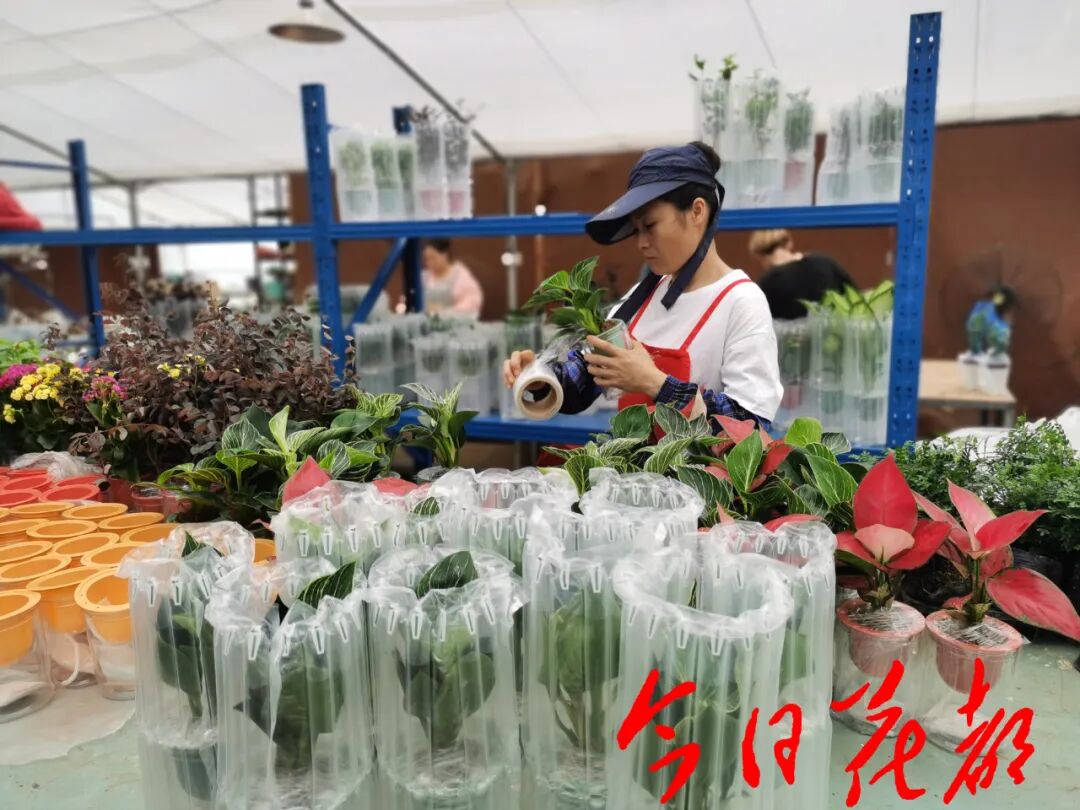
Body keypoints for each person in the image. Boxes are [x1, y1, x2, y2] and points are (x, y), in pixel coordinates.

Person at [503, 141, 782, 430]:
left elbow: (750, 426)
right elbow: (583, 381)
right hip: (633, 462)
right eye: (636, 230)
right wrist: (539, 379)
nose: (641, 243)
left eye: (650, 226)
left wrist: (654, 383)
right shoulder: (641, 297)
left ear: (697, 211)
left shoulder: (740, 301)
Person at [748, 229, 855, 319]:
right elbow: (855, 300)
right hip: (834, 335)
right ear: (789, 243)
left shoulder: (767, 284)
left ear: (761, 255)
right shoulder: (826, 263)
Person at [421, 238, 483, 317]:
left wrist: (444, 313)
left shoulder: (460, 276)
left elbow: (471, 304)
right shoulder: (424, 277)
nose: (430, 263)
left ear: (444, 255)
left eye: (433, 257)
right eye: (427, 259)